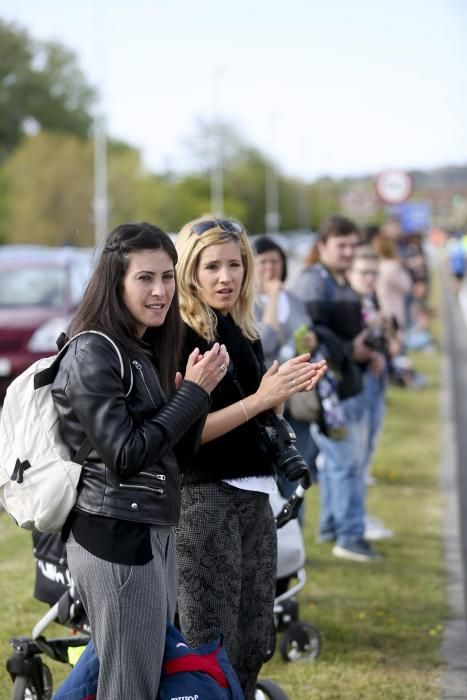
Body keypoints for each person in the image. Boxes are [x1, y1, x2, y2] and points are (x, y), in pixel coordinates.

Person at [51, 222, 229, 700]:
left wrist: (196, 396)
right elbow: (125, 455)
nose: (160, 291)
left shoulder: (143, 345)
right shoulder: (94, 350)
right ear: (116, 282)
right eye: (145, 278)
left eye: (168, 277)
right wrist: (191, 395)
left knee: (136, 670)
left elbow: (176, 454)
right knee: (129, 685)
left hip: (152, 530)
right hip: (115, 536)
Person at [174, 216, 327, 699]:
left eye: (234, 264)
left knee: (256, 636)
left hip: (255, 493)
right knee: (209, 640)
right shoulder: (180, 335)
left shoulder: (244, 327)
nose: (225, 277)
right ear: (189, 271)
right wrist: (261, 400)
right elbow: (187, 437)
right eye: (211, 266)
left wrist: (279, 394)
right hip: (205, 498)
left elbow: (253, 418)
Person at [293, 215, 382, 562]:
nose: (347, 251)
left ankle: (332, 527)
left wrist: (366, 353)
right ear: (322, 246)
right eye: (340, 245)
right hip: (327, 394)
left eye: (352, 245)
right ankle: (349, 537)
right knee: (345, 463)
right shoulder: (314, 283)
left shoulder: (340, 279)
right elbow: (308, 338)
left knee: (339, 463)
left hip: (347, 387)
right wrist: (351, 351)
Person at [252, 234, 319, 484]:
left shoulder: (293, 300)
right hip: (266, 395)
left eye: (275, 262)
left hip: (297, 393)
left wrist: (310, 340)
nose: (270, 268)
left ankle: (296, 519)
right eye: (263, 262)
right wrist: (272, 297)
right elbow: (264, 341)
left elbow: (306, 331)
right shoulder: (246, 302)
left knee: (299, 462)